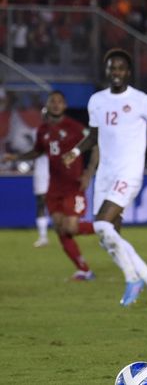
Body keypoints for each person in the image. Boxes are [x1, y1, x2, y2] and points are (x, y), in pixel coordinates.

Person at [62, 48, 147, 308]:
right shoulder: (97, 101)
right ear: (107, 71)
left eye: (121, 68)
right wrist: (76, 151)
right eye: (112, 68)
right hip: (105, 174)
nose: (116, 73)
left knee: (101, 225)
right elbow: (94, 136)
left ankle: (135, 280)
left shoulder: (142, 100)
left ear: (128, 72)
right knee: (108, 236)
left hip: (128, 172)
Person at [3, 90, 99, 280]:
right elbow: (37, 152)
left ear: (65, 106)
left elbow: (95, 145)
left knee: (71, 227)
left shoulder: (75, 127)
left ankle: (104, 227)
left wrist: (89, 173)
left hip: (73, 186)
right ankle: (84, 270)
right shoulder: (43, 130)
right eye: (52, 101)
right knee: (59, 228)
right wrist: (16, 157)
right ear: (47, 105)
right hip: (53, 188)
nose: (56, 104)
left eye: (59, 101)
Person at [32, 153, 50, 247]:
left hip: (44, 173)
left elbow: (34, 152)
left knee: (41, 205)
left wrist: (15, 157)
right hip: (43, 172)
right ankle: (43, 237)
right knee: (41, 204)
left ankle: (43, 237)